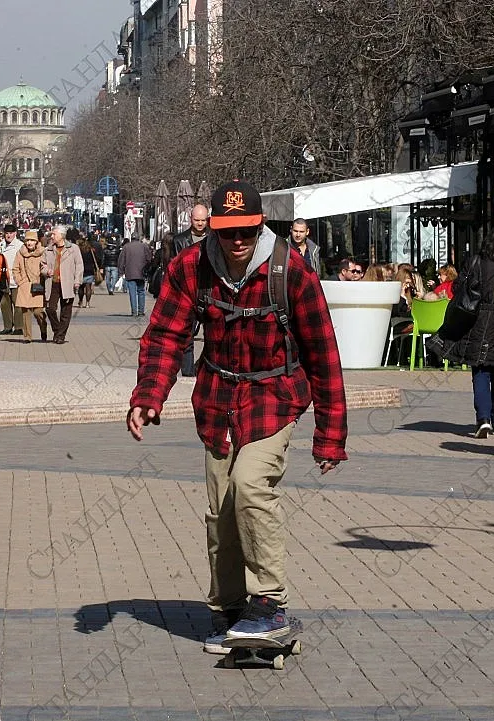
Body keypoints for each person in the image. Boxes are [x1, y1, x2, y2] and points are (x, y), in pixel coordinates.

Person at [127, 180, 347, 652]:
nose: (238, 242)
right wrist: (149, 395)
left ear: (260, 224)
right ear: (215, 231)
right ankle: (229, 610)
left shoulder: (291, 270)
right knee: (221, 510)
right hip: (218, 398)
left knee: (250, 486)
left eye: (247, 230)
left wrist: (330, 436)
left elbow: (323, 354)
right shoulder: (192, 267)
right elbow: (166, 334)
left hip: (275, 394)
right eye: (228, 233)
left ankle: (268, 603)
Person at [429, 224, 494, 438]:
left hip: (477, 318)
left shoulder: (476, 261)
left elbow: (459, 287)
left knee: (480, 369)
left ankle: (483, 419)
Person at [171, 205, 211, 375]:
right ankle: (188, 374)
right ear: (190, 218)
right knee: (186, 337)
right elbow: (175, 267)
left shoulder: (214, 238)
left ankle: (206, 371)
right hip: (188, 293)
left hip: (210, 291)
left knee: (213, 335)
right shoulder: (179, 240)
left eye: (203, 220)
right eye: (197, 220)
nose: (200, 224)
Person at [41, 225, 83, 344]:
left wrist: (77, 281)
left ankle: (60, 336)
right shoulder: (48, 249)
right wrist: (46, 271)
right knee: (50, 309)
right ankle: (57, 330)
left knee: (66, 311)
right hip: (52, 282)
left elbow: (79, 265)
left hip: (68, 283)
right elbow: (42, 265)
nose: (52, 236)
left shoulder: (73, 248)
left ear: (61, 236)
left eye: (54, 234)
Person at [13, 230, 48, 342]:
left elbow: (45, 267)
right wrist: (20, 281)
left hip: (37, 286)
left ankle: (43, 327)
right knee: (26, 313)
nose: (29, 243)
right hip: (24, 286)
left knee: (38, 312)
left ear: (36, 241)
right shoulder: (20, 253)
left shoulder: (43, 252)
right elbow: (15, 269)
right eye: (27, 240)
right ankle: (27, 336)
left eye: (32, 240)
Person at [117, 235, 153, 317]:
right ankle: (141, 311)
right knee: (141, 292)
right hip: (141, 273)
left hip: (130, 273)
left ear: (131, 239)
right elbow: (149, 259)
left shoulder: (126, 247)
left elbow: (121, 260)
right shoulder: (144, 246)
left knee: (132, 293)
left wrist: (121, 272)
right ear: (138, 238)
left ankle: (134, 311)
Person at [0, 223, 24, 334]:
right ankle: (7, 326)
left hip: (16, 278)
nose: (8, 235)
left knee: (18, 304)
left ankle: (19, 327)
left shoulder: (20, 246)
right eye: (7, 233)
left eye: (11, 233)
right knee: (5, 304)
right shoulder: (0, 245)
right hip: (4, 278)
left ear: (15, 233)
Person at [77, 236, 99, 309]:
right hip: (90, 270)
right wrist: (97, 268)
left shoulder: (79, 251)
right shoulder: (91, 251)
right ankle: (87, 303)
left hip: (80, 271)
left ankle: (80, 301)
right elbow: (95, 260)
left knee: (81, 287)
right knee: (88, 287)